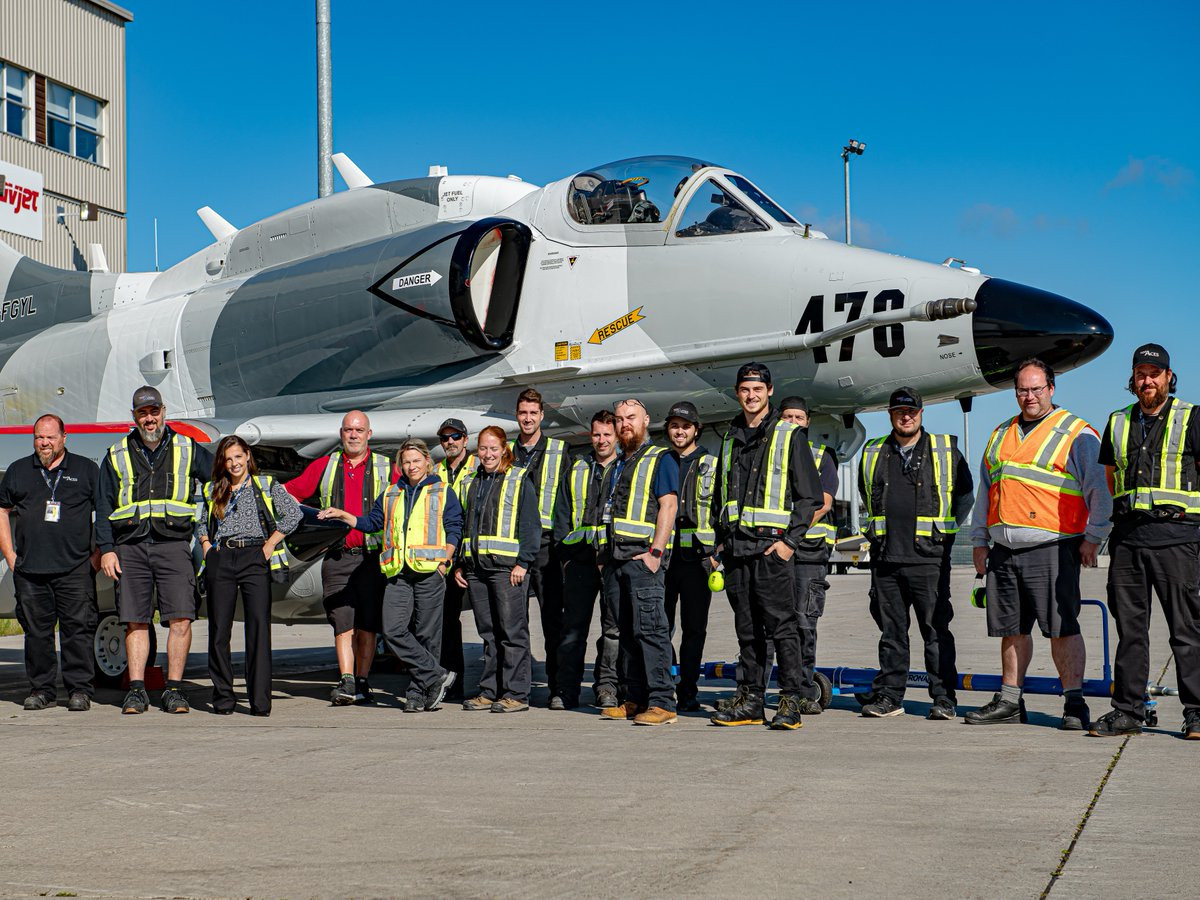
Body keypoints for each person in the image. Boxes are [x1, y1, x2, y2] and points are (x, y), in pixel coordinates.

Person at [968, 359, 1111, 729]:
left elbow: (1100, 490)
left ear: (1051, 388)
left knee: (1062, 627)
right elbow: (987, 490)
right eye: (1022, 390)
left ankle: (1074, 704)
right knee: (1011, 628)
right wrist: (979, 541)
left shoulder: (1076, 432)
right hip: (1004, 550)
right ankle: (1010, 700)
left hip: (1053, 547)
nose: (1029, 396)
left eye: (1036, 389)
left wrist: (1094, 537)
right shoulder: (1001, 433)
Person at [1091, 344, 1200, 739]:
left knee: (1187, 632)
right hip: (1129, 540)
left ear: (1168, 377)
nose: (1147, 380)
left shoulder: (1192, 417)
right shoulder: (1118, 421)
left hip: (1178, 538)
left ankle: (1197, 713)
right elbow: (1110, 477)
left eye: (1155, 373)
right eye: (1141, 373)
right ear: (1133, 378)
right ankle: (1128, 711)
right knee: (1130, 633)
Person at [710, 362, 822, 731]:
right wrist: (719, 543)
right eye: (745, 389)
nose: (751, 396)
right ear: (737, 393)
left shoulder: (789, 436)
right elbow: (721, 497)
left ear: (769, 391)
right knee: (747, 631)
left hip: (772, 550)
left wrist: (790, 542)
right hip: (737, 551)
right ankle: (750, 700)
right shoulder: (729, 438)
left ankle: (790, 700)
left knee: (783, 629)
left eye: (758, 389)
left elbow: (810, 497)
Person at [96, 386, 214, 715]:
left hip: (173, 545)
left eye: (154, 411)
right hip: (130, 547)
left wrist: (208, 531)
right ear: (134, 416)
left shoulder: (188, 448)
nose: (149, 419)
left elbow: (220, 482)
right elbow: (103, 504)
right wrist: (107, 549)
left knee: (181, 619)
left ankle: (174, 690)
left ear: (164, 412)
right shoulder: (117, 453)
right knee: (135, 621)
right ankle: (136, 691)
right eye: (142, 413)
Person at [857, 388, 973, 719]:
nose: (905, 417)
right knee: (891, 634)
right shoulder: (873, 451)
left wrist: (942, 534)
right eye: (899, 412)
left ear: (921, 413)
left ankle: (944, 698)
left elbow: (965, 496)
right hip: (886, 559)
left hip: (928, 559)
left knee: (936, 632)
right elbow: (867, 494)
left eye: (911, 411)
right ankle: (890, 696)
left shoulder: (945, 450)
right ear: (890, 415)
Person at [322, 439, 463, 712]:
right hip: (398, 573)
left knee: (427, 635)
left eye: (416, 461)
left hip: (429, 572)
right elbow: (372, 523)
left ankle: (418, 693)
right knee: (393, 630)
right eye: (406, 462)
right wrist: (344, 515)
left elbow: (454, 526)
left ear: (427, 462)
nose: (412, 466)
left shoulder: (442, 491)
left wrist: (445, 559)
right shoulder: (390, 493)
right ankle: (436, 675)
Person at [284, 411, 392, 706]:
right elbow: (289, 494)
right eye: (348, 430)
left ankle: (363, 680)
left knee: (368, 623)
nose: (353, 435)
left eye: (359, 430)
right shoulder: (325, 466)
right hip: (337, 557)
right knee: (342, 620)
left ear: (369, 434)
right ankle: (347, 680)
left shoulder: (387, 467)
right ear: (341, 433)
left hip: (372, 558)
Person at [0, 414, 100, 711]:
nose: (44, 443)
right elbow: (2, 511)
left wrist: (97, 554)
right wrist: (10, 555)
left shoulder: (86, 469)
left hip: (75, 568)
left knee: (77, 631)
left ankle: (79, 690)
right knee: (36, 634)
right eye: (39, 437)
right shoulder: (18, 470)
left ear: (64, 438)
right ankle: (41, 689)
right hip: (30, 570)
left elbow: (105, 511)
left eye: (50, 437)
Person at [197, 436, 301, 716]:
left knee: (258, 628)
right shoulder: (212, 489)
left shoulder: (265, 485)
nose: (234, 463)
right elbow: (201, 523)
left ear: (247, 457)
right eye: (228, 459)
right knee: (219, 630)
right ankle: (223, 698)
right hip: (222, 557)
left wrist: (270, 544)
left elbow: (293, 515)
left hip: (254, 556)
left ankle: (259, 702)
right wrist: (207, 548)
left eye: (238, 457)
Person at [598, 399, 680, 726]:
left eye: (631, 417)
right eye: (619, 419)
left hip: (642, 559)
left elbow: (669, 506)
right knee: (628, 635)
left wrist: (656, 553)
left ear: (646, 420)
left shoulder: (660, 458)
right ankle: (634, 698)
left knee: (651, 631)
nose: (624, 424)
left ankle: (662, 702)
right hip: (616, 561)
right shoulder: (619, 463)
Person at [454, 426, 540, 713]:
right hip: (476, 569)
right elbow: (463, 525)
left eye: (493, 448)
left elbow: (531, 524)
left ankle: (517, 693)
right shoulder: (470, 482)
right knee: (488, 633)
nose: (488, 454)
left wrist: (523, 562)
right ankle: (490, 691)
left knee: (512, 632)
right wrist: (460, 564)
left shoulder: (518, 479)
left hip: (507, 569)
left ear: (504, 449)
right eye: (483, 448)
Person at [551, 410, 621, 710]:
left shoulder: (626, 468)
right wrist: (566, 559)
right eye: (597, 434)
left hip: (614, 561)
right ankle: (566, 690)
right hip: (580, 562)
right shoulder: (577, 469)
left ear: (616, 436)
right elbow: (561, 515)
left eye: (607, 434)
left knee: (613, 630)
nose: (601, 440)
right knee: (573, 629)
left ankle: (607, 687)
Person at [779, 396, 839, 715]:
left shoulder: (821, 455)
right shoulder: (769, 454)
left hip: (808, 551)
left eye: (798, 417)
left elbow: (823, 503)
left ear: (807, 422)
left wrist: (791, 533)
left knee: (803, 623)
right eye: (787, 417)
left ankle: (803, 691)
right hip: (775, 550)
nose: (792, 422)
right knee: (771, 623)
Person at [510, 388, 568, 704]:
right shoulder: (506, 452)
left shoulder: (559, 451)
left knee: (553, 621)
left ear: (542, 415)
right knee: (514, 622)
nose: (528, 418)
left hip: (548, 548)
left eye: (533, 413)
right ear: (516, 415)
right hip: (515, 547)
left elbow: (569, 500)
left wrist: (564, 547)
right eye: (523, 413)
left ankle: (558, 687)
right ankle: (517, 689)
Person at [662, 401, 717, 713]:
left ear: (696, 429)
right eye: (674, 426)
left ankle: (688, 691)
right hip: (664, 560)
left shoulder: (712, 464)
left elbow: (724, 509)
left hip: (698, 561)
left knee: (694, 630)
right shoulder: (660, 461)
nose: (679, 431)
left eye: (685, 426)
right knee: (660, 627)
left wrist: (718, 554)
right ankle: (663, 685)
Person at [434, 418, 478, 703]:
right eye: (445, 438)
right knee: (447, 622)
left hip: (474, 553)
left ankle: (496, 686)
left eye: (456, 436)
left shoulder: (478, 466)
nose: (450, 441)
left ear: (465, 439)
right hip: (447, 555)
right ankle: (453, 683)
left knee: (490, 623)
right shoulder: (435, 471)